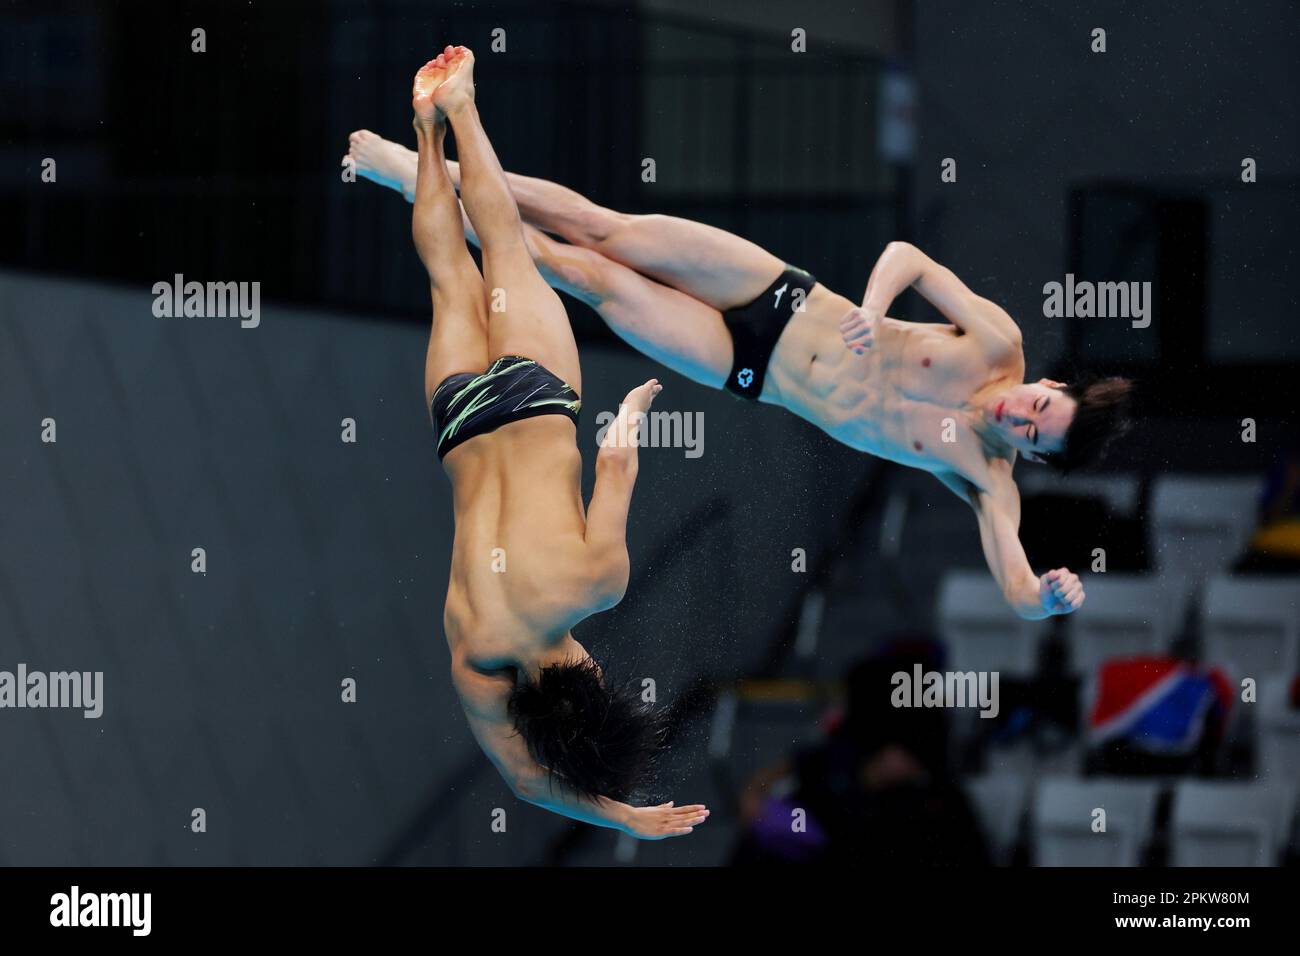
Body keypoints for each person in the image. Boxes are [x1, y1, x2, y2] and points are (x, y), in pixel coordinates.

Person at [345, 131, 1132, 621]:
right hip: (779, 293)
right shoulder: (998, 343)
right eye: (1038, 405)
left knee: (584, 275)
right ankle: (427, 164)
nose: (1018, 417)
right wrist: (873, 307)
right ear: (1050, 384)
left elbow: (1017, 579)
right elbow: (909, 258)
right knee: (600, 227)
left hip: (749, 369)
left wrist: (1045, 602)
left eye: (1032, 436)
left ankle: (417, 191)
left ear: (1031, 459)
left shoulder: (988, 479)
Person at [405, 45, 707, 839]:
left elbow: (613, 460)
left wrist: (638, 408)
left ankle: (463, 107)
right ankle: (427, 135)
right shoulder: (477, 656)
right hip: (460, 419)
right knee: (447, 276)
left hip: (536, 397)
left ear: (589, 675)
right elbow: (526, 781)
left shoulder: (597, 584)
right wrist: (621, 819)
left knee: (504, 249)